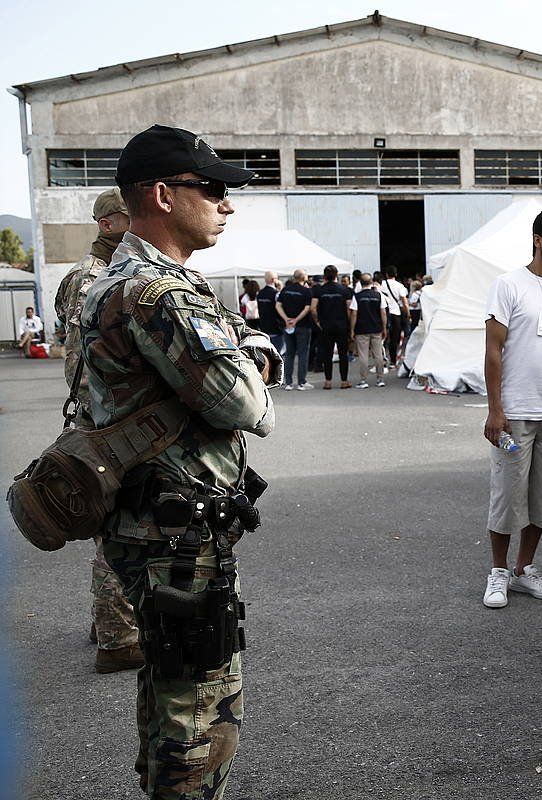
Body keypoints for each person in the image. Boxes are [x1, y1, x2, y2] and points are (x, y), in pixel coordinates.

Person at [81, 123, 279, 799]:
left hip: (157, 526)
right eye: (214, 189)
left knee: (172, 694)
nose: (227, 204)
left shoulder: (122, 281)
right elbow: (250, 405)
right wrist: (253, 353)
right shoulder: (160, 294)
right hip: (178, 539)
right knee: (200, 717)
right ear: (163, 195)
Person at [52, 188, 144, 674]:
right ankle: (118, 636)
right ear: (108, 223)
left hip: (96, 415)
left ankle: (105, 619)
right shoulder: (99, 277)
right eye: (131, 217)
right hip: (108, 418)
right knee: (119, 526)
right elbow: (93, 358)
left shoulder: (82, 275)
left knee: (112, 521)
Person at [480, 208, 542, 610]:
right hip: (515, 414)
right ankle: (498, 571)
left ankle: (524, 568)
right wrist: (495, 410)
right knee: (507, 496)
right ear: (538, 239)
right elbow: (493, 350)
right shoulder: (508, 285)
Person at [312, 264, 353, 389]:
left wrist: (318, 322)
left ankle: (328, 381)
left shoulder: (319, 290)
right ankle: (344, 381)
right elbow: (349, 309)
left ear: (324, 276)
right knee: (343, 354)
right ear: (337, 275)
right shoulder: (345, 290)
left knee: (327, 354)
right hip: (341, 325)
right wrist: (349, 325)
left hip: (326, 326)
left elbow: (313, 309)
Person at [276, 269, 314, 391]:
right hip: (302, 325)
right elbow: (307, 308)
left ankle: (288, 383)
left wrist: (286, 319)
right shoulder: (306, 291)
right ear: (304, 278)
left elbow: (277, 305)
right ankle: (302, 382)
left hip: (288, 326)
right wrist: (296, 320)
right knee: (302, 354)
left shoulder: (285, 290)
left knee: (289, 354)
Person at [350, 271, 387, 388]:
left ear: (360, 283)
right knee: (378, 354)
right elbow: (383, 313)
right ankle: (380, 379)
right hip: (376, 328)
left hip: (362, 329)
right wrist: (384, 327)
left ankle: (363, 380)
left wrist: (352, 329)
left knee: (363, 355)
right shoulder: (379, 295)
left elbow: (354, 314)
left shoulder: (357, 297)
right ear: (371, 282)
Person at [380, 265, 409, 373]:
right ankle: (393, 361)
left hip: (384, 312)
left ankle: (381, 361)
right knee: (394, 339)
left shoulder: (381, 285)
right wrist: (408, 314)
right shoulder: (400, 286)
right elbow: (404, 301)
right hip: (396, 314)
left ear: (386, 274)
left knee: (383, 338)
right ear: (396, 274)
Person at [257, 272, 283, 355]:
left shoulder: (260, 293)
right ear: (274, 279)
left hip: (263, 326)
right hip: (275, 327)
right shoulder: (276, 294)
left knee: (266, 355)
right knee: (277, 354)